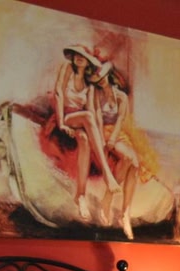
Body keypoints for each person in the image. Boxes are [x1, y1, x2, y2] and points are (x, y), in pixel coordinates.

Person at [53, 45, 121, 220]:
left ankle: (80, 196)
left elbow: (91, 110)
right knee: (87, 117)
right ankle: (107, 174)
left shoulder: (90, 85)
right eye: (76, 54)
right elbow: (58, 92)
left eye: (83, 56)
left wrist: (100, 138)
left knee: (84, 140)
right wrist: (61, 123)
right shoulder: (67, 68)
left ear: (89, 62)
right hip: (64, 118)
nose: (79, 57)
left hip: (81, 123)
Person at [91, 61, 139, 238]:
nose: (101, 81)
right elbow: (97, 117)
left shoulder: (121, 97)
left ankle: (125, 213)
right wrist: (103, 139)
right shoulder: (96, 95)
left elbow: (120, 120)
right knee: (127, 158)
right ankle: (108, 198)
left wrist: (113, 138)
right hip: (102, 132)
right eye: (98, 79)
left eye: (103, 77)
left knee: (135, 164)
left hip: (117, 134)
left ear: (108, 76)